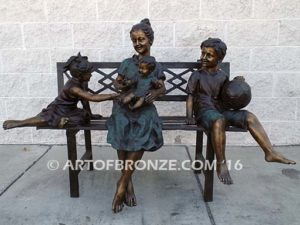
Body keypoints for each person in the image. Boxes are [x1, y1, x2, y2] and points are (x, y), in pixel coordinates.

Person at [186, 38, 296, 185]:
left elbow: (227, 94)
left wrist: (237, 82)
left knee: (249, 117)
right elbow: (190, 97)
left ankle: (270, 152)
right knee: (219, 121)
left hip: (220, 111)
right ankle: (221, 163)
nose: (204, 58)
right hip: (205, 112)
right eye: (203, 53)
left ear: (219, 58)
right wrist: (189, 116)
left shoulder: (222, 76)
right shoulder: (197, 75)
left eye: (209, 55)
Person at [106, 18, 166, 213]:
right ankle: (129, 184)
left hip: (144, 108)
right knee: (121, 127)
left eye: (141, 39)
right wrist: (122, 85)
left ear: (150, 40)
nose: (138, 43)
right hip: (124, 106)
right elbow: (117, 82)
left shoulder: (155, 65)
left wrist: (152, 96)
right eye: (134, 40)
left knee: (143, 128)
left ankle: (121, 185)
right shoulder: (126, 63)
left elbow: (161, 88)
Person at [3, 53, 118, 130]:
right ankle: (20, 123)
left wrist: (91, 114)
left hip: (70, 110)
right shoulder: (74, 88)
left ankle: (64, 121)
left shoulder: (80, 83)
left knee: (84, 117)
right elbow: (91, 97)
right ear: (80, 74)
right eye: (89, 73)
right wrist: (112, 95)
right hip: (59, 110)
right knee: (47, 119)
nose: (91, 74)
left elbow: (84, 101)